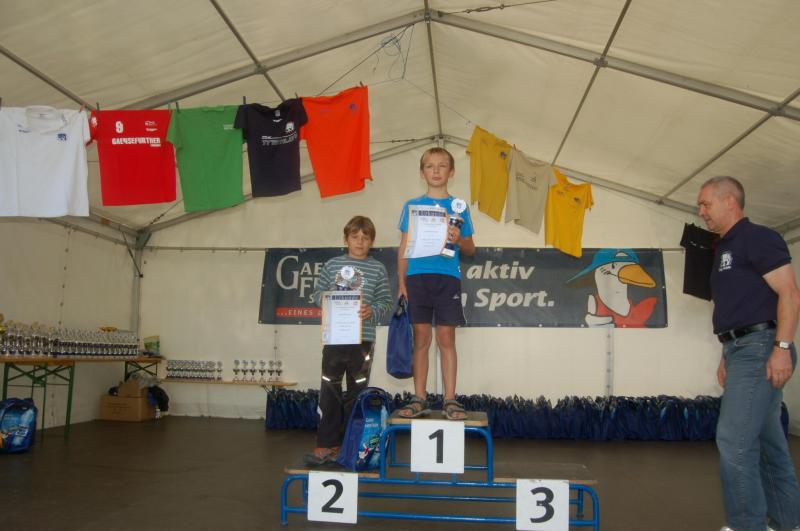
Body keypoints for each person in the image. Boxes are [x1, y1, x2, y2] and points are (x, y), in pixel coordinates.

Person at [696, 176, 800, 531]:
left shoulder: (757, 238)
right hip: (741, 349)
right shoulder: (722, 249)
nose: (701, 211)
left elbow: (790, 294)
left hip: (761, 348)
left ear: (730, 201)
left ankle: (746, 525)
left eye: (706, 203)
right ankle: (789, 522)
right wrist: (726, 354)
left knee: (734, 441)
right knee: (767, 443)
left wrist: (781, 348)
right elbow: (737, 308)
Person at [303, 216, 393, 465]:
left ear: (372, 242)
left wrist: (371, 310)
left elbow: (386, 303)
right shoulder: (333, 265)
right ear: (346, 239)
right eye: (355, 237)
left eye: (365, 238)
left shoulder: (378, 269)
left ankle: (350, 444)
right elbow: (316, 294)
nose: (360, 242)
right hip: (334, 337)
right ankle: (326, 444)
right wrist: (330, 300)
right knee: (329, 390)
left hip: (363, 340)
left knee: (357, 392)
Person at [396, 147, 476, 421]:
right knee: (421, 338)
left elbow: (471, 248)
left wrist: (458, 239)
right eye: (430, 166)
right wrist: (401, 282)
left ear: (451, 172)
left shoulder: (459, 207)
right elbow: (403, 246)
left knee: (446, 338)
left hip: (447, 278)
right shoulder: (411, 206)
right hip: (417, 278)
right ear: (422, 173)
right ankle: (419, 397)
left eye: (442, 166)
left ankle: (450, 399)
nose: (436, 171)